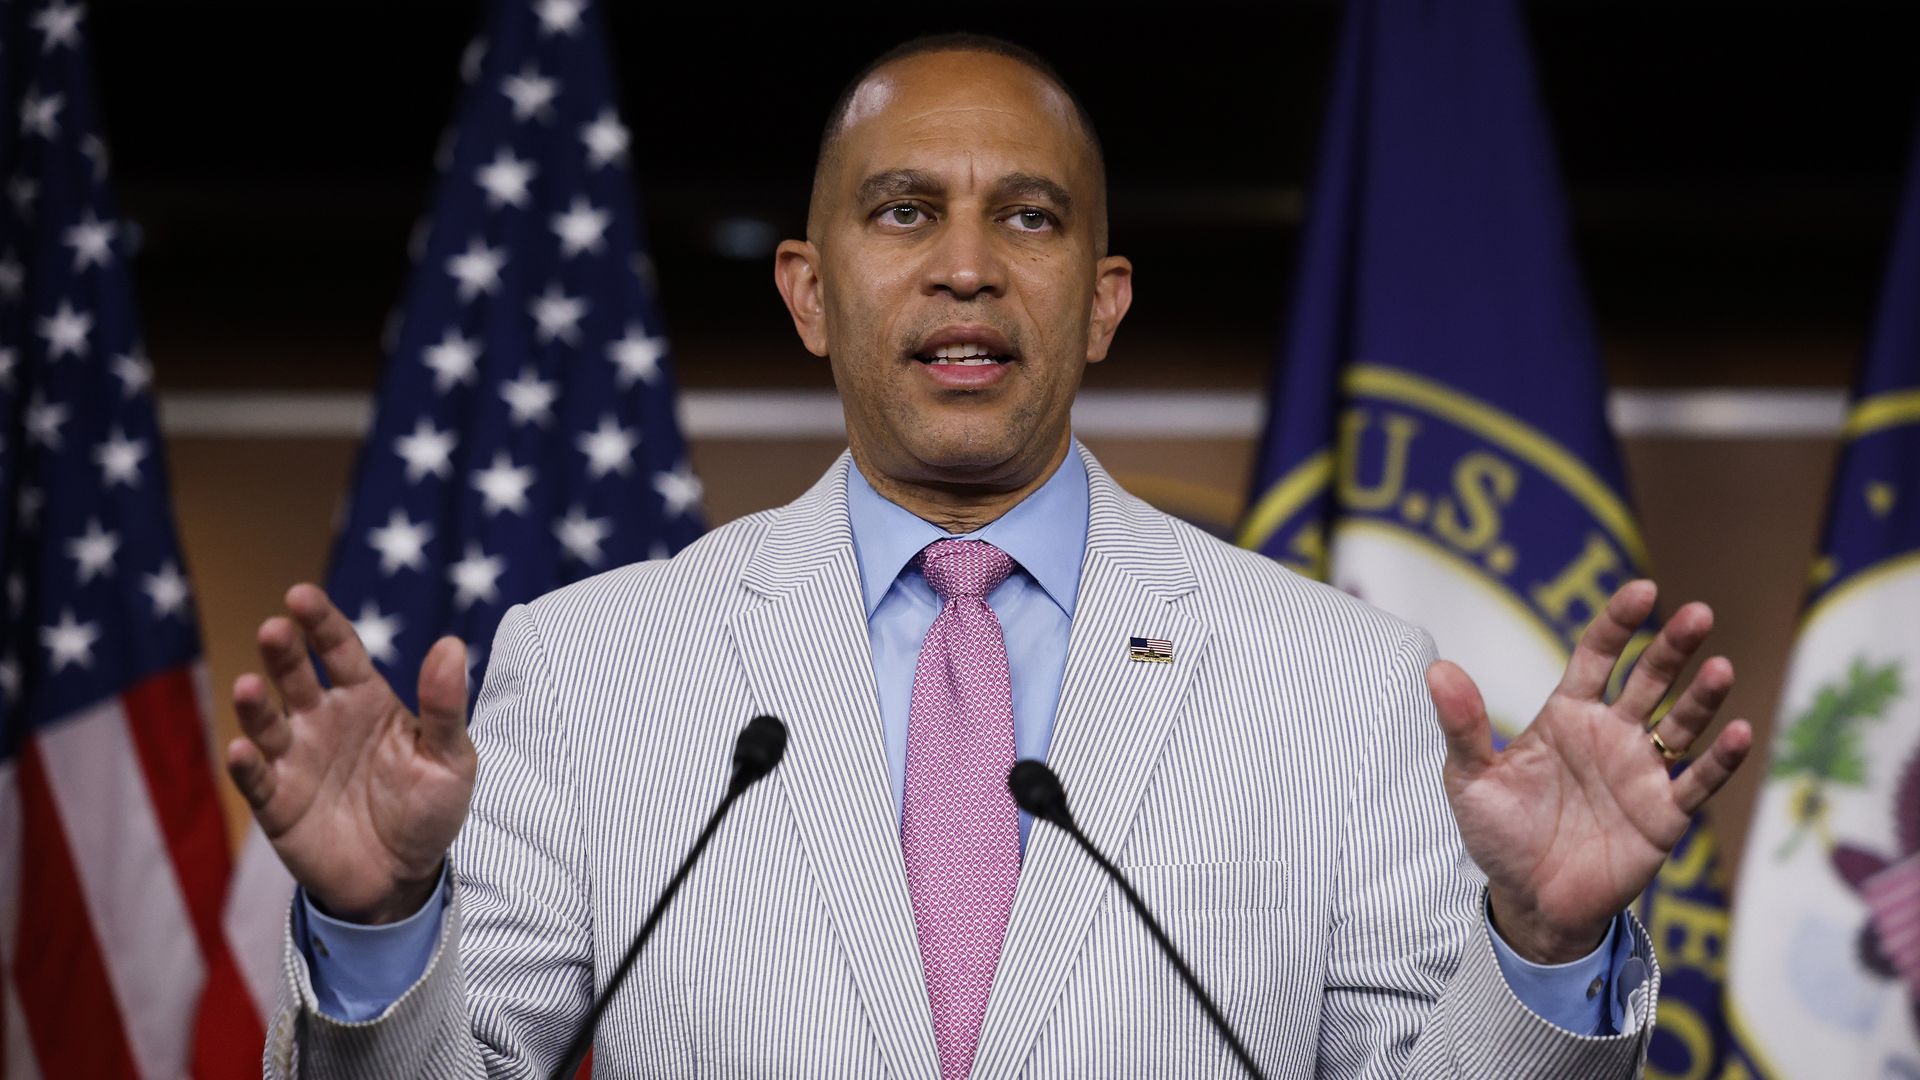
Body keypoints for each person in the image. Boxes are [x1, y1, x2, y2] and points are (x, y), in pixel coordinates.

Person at [228, 33, 1752, 1079]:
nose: (966, 263)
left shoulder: (1335, 680)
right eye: (906, 212)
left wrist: (1543, 952)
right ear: (812, 293)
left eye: (1027, 218)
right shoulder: (594, 665)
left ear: (1101, 300)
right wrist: (374, 936)